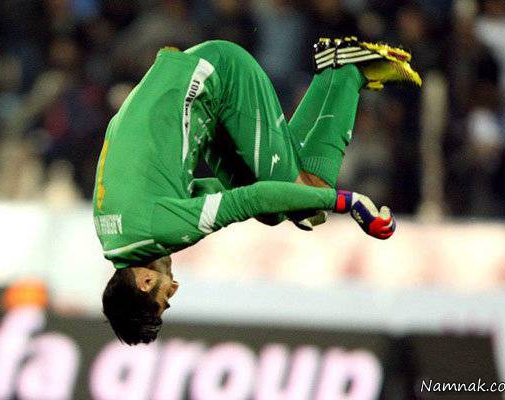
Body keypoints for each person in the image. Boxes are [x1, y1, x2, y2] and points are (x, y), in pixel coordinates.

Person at [93, 37, 421, 345]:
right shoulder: (116, 236)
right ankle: (333, 71)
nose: (174, 286)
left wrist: (347, 202)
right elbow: (236, 194)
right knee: (278, 209)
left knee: (307, 197)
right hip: (195, 90)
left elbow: (254, 197)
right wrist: (285, 198)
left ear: (145, 282)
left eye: (166, 296)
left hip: (219, 76)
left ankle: (348, 71)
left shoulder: (159, 231)